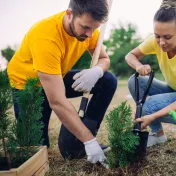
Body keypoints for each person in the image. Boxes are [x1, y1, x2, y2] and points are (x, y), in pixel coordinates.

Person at [7, 0, 117, 163]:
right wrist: (90, 142)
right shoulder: (46, 36)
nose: (90, 34)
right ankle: (88, 140)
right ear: (69, 14)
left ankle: (83, 138)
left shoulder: (90, 28)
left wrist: (96, 71)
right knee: (35, 152)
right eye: (86, 27)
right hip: (27, 85)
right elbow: (57, 101)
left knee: (107, 80)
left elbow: (103, 58)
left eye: (95, 29)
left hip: (55, 74)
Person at [125, 0, 176, 147]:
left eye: (167, 37)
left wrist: (152, 116)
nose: (161, 42)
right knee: (134, 81)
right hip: (173, 90)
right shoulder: (156, 41)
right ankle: (158, 135)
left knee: (149, 106)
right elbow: (130, 55)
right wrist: (138, 65)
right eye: (157, 36)